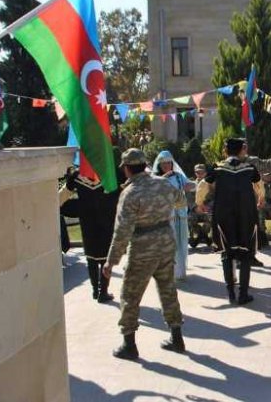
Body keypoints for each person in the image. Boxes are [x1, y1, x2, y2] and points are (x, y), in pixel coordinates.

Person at [103, 148, 185, 360]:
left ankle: (129, 345)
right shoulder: (163, 183)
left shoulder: (130, 193)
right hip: (166, 242)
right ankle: (177, 338)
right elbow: (181, 201)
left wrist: (111, 261)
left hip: (142, 248)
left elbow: (122, 231)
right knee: (168, 289)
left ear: (127, 169)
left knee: (130, 295)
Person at [197, 138, 263, 305]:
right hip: (246, 214)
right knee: (246, 254)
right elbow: (259, 185)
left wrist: (200, 203)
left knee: (227, 252)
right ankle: (243, 294)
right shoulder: (249, 168)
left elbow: (203, 185)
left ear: (225, 151)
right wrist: (261, 199)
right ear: (242, 150)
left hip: (223, 214)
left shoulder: (218, 168)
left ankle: (230, 293)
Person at [64, 167, 120, 302]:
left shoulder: (77, 176)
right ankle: (103, 292)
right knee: (105, 258)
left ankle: (95, 290)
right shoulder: (110, 174)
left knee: (91, 257)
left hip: (87, 221)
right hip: (106, 221)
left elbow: (68, 188)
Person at [152, 151, 195, 280]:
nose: (166, 166)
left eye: (168, 163)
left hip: (180, 213)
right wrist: (163, 178)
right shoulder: (154, 178)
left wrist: (196, 184)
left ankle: (180, 271)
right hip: (165, 215)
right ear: (159, 165)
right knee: (168, 242)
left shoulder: (178, 176)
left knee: (181, 240)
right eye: (163, 163)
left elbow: (190, 185)